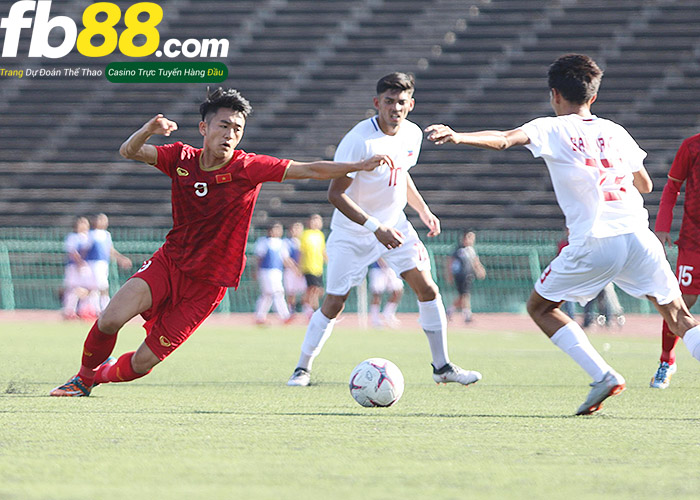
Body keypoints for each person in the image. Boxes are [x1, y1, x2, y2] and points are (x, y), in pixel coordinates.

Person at [50, 87, 393, 397]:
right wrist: (149, 130)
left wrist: (359, 166)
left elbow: (310, 170)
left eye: (237, 129)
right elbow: (129, 151)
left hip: (209, 283)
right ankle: (81, 378)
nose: (230, 135)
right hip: (170, 262)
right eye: (223, 126)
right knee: (110, 318)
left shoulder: (249, 167)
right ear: (204, 129)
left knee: (142, 363)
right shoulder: (180, 158)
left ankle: (100, 376)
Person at [426, 54, 700, 415]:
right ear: (594, 97)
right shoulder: (616, 131)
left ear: (555, 95)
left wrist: (458, 136)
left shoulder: (551, 127)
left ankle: (603, 374)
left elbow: (506, 140)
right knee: (678, 316)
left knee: (540, 307)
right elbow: (646, 184)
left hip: (596, 239)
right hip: (639, 236)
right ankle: (608, 375)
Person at [287, 72, 482, 387]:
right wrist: (375, 227)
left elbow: (401, 175)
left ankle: (442, 367)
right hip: (353, 233)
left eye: (401, 102)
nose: (395, 107)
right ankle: (302, 368)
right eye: (389, 101)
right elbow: (335, 195)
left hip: (395, 226)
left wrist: (423, 210)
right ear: (377, 103)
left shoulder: (413, 135)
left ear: (411, 105)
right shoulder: (359, 140)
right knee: (335, 301)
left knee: (427, 288)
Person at [651, 132, 700, 388]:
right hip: (693, 243)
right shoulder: (691, 147)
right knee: (681, 304)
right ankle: (667, 360)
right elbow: (672, 187)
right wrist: (662, 228)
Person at [85, 213, 132, 314]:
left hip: (103, 263)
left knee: (100, 286)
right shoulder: (91, 234)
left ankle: (101, 307)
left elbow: (110, 250)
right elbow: (85, 250)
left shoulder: (107, 235)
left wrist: (121, 259)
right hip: (93, 263)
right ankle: (98, 308)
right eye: (101, 220)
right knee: (98, 286)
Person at [254, 222, 292, 325]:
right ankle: (285, 315)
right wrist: (256, 270)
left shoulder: (282, 243)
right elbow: (259, 258)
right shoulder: (264, 242)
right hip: (266, 271)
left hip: (278, 271)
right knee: (278, 292)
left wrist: (295, 268)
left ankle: (260, 316)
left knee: (267, 295)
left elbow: (285, 259)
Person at [446, 231, 486, 323]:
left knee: (463, 296)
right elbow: (450, 262)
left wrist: (480, 270)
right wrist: (450, 275)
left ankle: (451, 310)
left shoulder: (471, 250)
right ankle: (466, 315)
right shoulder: (458, 250)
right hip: (460, 275)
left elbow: (476, 262)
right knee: (465, 295)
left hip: (469, 275)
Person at [61, 216, 93, 320]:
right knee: (72, 288)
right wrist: (79, 263)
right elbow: (72, 252)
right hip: (74, 266)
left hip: (87, 266)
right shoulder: (73, 237)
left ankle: (84, 310)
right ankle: (69, 311)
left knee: (88, 288)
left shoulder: (88, 237)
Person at [299, 214, 326, 318]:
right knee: (313, 288)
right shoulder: (305, 234)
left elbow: (323, 250)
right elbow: (301, 252)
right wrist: (299, 266)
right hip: (308, 266)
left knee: (319, 291)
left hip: (318, 267)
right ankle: (313, 311)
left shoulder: (320, 235)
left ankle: (306, 305)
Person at [368, 259, 404, 328]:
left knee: (398, 290)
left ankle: (388, 313)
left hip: (391, 267)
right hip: (377, 269)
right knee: (377, 294)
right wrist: (382, 263)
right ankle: (375, 320)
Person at [283, 221, 307, 319]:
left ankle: (307, 310)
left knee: (306, 291)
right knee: (291, 291)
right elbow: (286, 258)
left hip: (303, 270)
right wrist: (295, 268)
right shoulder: (286, 242)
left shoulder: (303, 241)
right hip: (291, 270)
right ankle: (291, 311)